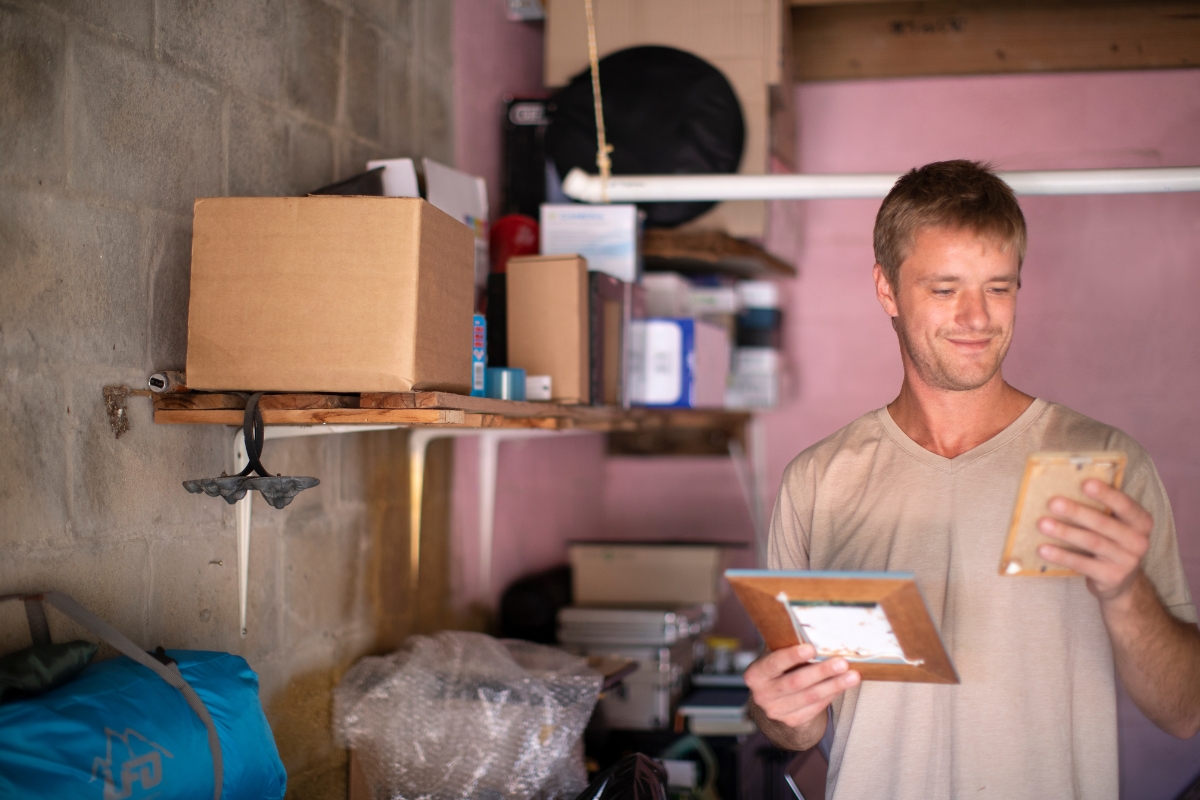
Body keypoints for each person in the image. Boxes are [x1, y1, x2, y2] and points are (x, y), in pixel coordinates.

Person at [745, 160, 1200, 799]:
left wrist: (1125, 592)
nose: (976, 317)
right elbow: (796, 718)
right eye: (944, 288)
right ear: (886, 289)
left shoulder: (1103, 467)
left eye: (998, 287)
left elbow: (1185, 711)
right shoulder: (819, 482)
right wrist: (779, 710)